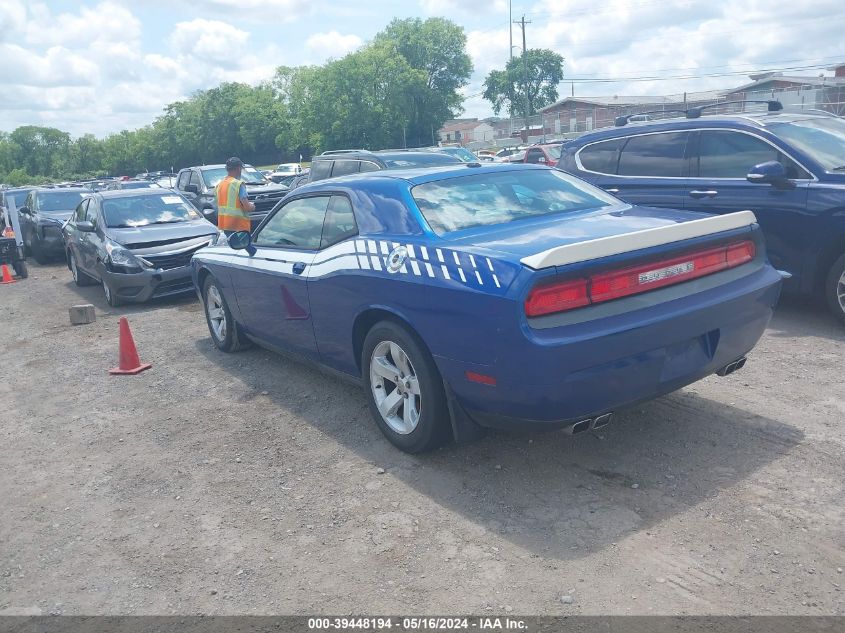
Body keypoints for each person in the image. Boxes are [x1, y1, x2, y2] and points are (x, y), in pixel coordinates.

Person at [215, 157, 255, 235]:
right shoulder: (238, 184)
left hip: (226, 226)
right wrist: (253, 206)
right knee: (247, 246)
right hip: (238, 226)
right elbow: (247, 207)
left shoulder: (220, 185)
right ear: (239, 169)